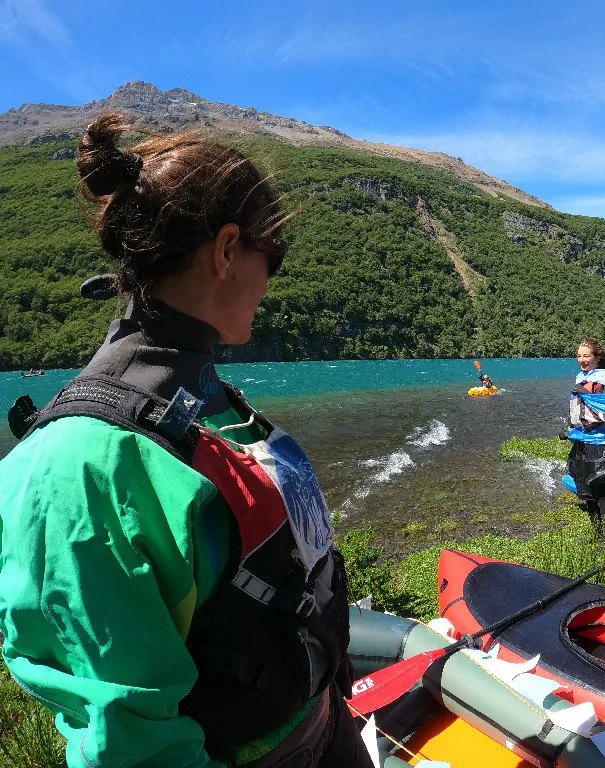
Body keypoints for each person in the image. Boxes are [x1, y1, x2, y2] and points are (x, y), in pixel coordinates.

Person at [0, 114, 373, 768]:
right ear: (228, 250)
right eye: (272, 259)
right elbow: (127, 736)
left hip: (320, 721)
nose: (271, 282)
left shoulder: (202, 397)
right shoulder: (76, 465)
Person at [566, 339, 605, 534]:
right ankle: (596, 533)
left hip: (604, 444)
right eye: (579, 355)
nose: (581, 359)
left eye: (586, 356)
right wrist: (568, 427)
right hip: (584, 440)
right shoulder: (582, 377)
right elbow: (579, 410)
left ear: (597, 358)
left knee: (603, 494)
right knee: (588, 492)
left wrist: (585, 391)